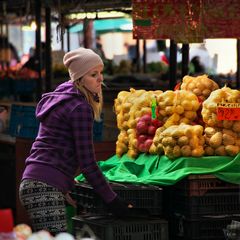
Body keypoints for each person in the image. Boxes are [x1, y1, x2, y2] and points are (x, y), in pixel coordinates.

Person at [19, 47, 133, 235]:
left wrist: (64, 185)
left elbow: (55, 146)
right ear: (79, 79)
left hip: (35, 182)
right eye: (93, 74)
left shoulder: (61, 97)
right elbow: (87, 163)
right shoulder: (79, 107)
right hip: (44, 188)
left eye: (100, 73)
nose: (100, 79)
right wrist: (113, 201)